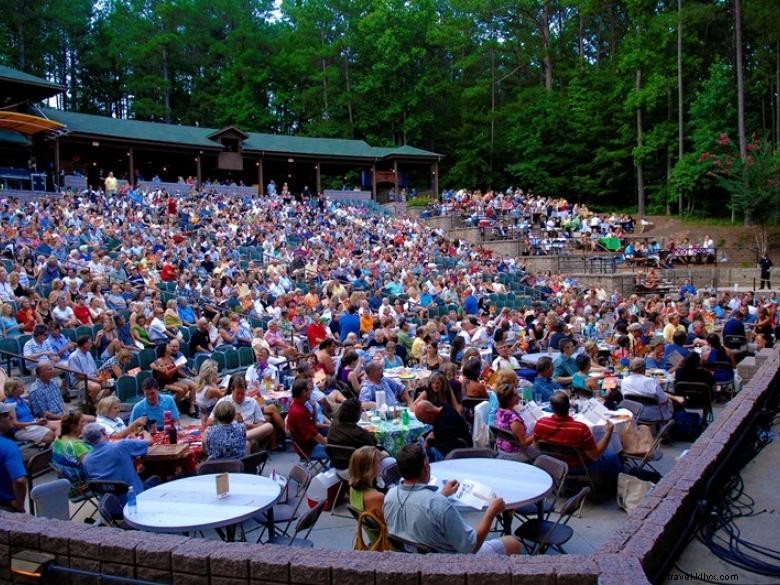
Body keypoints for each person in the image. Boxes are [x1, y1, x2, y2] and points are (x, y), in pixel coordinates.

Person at [383, 443, 520, 555]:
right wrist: (491, 512)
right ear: (425, 467)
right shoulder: (439, 505)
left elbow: (420, 506)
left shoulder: (390, 496)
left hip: (413, 560)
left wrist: (442, 494)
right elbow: (471, 547)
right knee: (513, 543)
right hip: (448, 564)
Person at [533, 390, 622, 493]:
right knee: (613, 455)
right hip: (578, 466)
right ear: (569, 406)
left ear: (551, 407)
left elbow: (536, 447)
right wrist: (608, 433)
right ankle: (616, 489)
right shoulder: (580, 428)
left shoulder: (541, 423)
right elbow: (595, 456)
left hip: (553, 462)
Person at [81, 422, 156, 503]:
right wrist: (145, 433)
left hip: (111, 505)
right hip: (134, 498)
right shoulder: (121, 446)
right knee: (155, 479)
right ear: (103, 432)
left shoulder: (86, 460)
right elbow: (150, 441)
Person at [211, 374, 274, 450]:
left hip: (248, 432)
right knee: (247, 443)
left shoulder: (252, 402)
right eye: (237, 393)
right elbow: (210, 422)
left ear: (245, 391)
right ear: (232, 390)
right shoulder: (223, 401)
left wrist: (250, 426)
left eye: (242, 393)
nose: (240, 396)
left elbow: (261, 424)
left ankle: (242, 438)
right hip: (228, 432)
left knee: (268, 426)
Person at [348, 446, 386, 546]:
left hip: (373, 539)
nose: (381, 465)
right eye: (378, 463)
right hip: (384, 543)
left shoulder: (352, 488)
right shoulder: (377, 497)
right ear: (368, 469)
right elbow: (390, 524)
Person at [286, 377, 329, 462]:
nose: (311, 391)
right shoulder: (299, 412)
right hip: (309, 449)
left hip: (309, 443)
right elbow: (315, 435)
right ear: (303, 392)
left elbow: (312, 423)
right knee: (340, 450)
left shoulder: (297, 404)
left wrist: (314, 408)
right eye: (309, 390)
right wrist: (331, 442)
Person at [51, 411, 93, 495]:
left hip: (65, 482)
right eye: (83, 421)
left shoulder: (58, 439)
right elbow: (93, 467)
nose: (87, 423)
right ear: (74, 427)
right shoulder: (78, 446)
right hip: (81, 486)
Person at [3, 377, 56, 444]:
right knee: (50, 434)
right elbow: (15, 424)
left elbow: (32, 410)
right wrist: (35, 423)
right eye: (20, 387)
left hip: (32, 423)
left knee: (60, 425)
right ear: (12, 389)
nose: (23, 388)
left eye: (23, 386)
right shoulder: (9, 404)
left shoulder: (20, 399)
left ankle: (62, 450)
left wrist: (40, 418)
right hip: (21, 430)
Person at [493, 381, 534, 461]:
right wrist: (537, 433)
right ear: (508, 400)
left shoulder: (499, 411)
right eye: (515, 395)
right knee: (542, 451)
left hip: (501, 450)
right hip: (515, 454)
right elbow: (524, 444)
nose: (519, 397)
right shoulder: (514, 421)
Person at [0, 403, 26, 512]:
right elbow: (20, 481)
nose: (11, 417)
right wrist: (19, 505)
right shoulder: (8, 446)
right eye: (5, 415)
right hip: (6, 508)